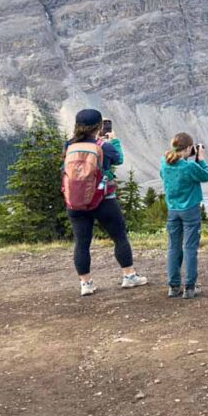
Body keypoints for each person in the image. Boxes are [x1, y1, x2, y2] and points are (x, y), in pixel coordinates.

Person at [63, 108, 148, 296]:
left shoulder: (69, 145)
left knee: (81, 242)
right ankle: (129, 275)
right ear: (99, 126)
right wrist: (114, 141)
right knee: (119, 237)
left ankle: (86, 283)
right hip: (103, 199)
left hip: (75, 202)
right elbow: (119, 159)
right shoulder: (104, 146)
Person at [161, 132, 208, 299]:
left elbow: (168, 173)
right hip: (190, 209)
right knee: (189, 248)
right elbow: (205, 175)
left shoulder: (164, 162)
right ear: (189, 148)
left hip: (172, 209)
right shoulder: (189, 167)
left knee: (173, 247)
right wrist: (201, 158)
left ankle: (173, 286)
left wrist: (188, 158)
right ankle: (190, 287)